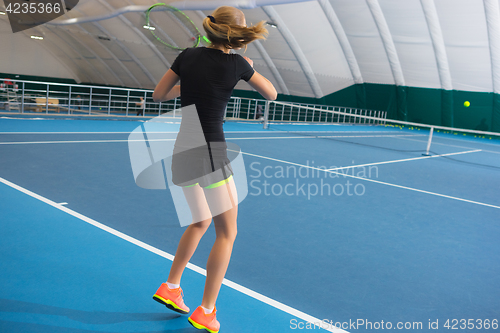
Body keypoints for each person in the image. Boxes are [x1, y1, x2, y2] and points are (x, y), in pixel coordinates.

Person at [151, 6, 276, 333]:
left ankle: (172, 287)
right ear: (237, 34)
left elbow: (159, 94)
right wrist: (247, 67)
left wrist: (191, 86)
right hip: (210, 152)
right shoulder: (237, 64)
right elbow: (271, 93)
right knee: (227, 232)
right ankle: (206, 310)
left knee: (199, 221)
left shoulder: (187, 56)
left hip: (182, 150)